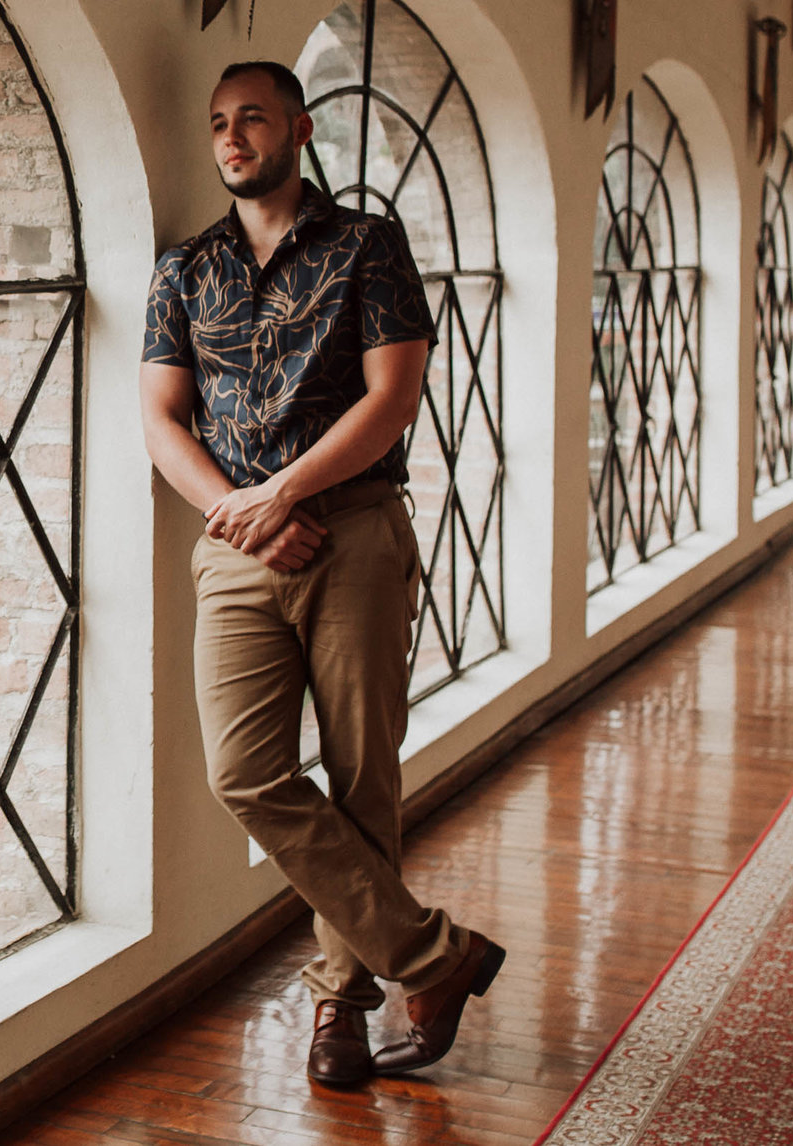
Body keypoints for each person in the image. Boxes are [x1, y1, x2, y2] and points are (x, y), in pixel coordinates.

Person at [139, 60, 503, 1090]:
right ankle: (435, 957)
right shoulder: (184, 268)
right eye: (217, 122)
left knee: (360, 774)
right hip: (235, 546)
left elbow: (393, 397)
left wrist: (282, 493)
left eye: (251, 117)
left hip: (353, 534)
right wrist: (241, 514)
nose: (231, 136)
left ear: (298, 127)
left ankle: (338, 1007)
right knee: (244, 772)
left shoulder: (366, 245)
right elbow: (160, 417)